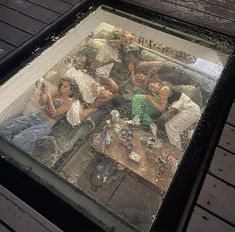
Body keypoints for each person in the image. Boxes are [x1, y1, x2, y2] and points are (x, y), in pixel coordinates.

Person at [0, 78, 96, 154]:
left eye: (66, 86)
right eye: (62, 85)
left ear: (71, 91)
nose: (62, 87)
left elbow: (54, 113)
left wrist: (49, 97)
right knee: (4, 128)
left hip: (45, 124)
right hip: (35, 116)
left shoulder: (69, 101)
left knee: (18, 141)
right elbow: (42, 103)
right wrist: (43, 92)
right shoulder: (57, 95)